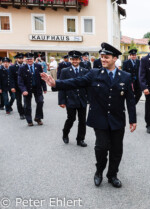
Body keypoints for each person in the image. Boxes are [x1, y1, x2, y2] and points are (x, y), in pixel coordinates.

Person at [41, 42, 136, 188]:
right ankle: (99, 172)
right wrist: (56, 84)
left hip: (117, 119)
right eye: (102, 57)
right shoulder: (94, 73)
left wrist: (133, 120)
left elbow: (130, 100)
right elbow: (76, 82)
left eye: (107, 57)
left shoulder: (125, 76)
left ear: (115, 58)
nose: (103, 59)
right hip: (100, 118)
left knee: (117, 150)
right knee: (101, 147)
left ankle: (112, 175)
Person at [58, 51, 89, 147]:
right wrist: (61, 101)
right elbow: (61, 86)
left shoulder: (85, 71)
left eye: (77, 59)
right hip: (70, 99)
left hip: (82, 99)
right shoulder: (65, 71)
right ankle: (65, 133)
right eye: (73, 59)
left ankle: (80, 139)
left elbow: (87, 86)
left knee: (82, 121)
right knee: (71, 119)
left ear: (80, 60)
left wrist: (90, 99)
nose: (75, 61)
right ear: (70, 60)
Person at [18, 53, 47, 126]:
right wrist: (23, 90)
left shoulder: (38, 66)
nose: (29, 60)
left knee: (40, 102)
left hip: (37, 88)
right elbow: (20, 81)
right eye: (28, 59)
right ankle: (29, 120)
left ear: (33, 59)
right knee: (27, 105)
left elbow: (42, 77)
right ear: (26, 60)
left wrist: (44, 88)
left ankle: (38, 118)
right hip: (27, 89)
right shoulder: (22, 68)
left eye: (30, 59)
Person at [9, 53, 25, 119]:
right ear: (17, 59)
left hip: (24, 86)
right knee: (19, 101)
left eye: (22, 58)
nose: (21, 59)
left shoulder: (25, 66)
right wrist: (12, 87)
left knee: (26, 100)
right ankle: (21, 113)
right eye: (19, 58)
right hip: (17, 86)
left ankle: (25, 111)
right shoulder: (12, 67)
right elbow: (11, 78)